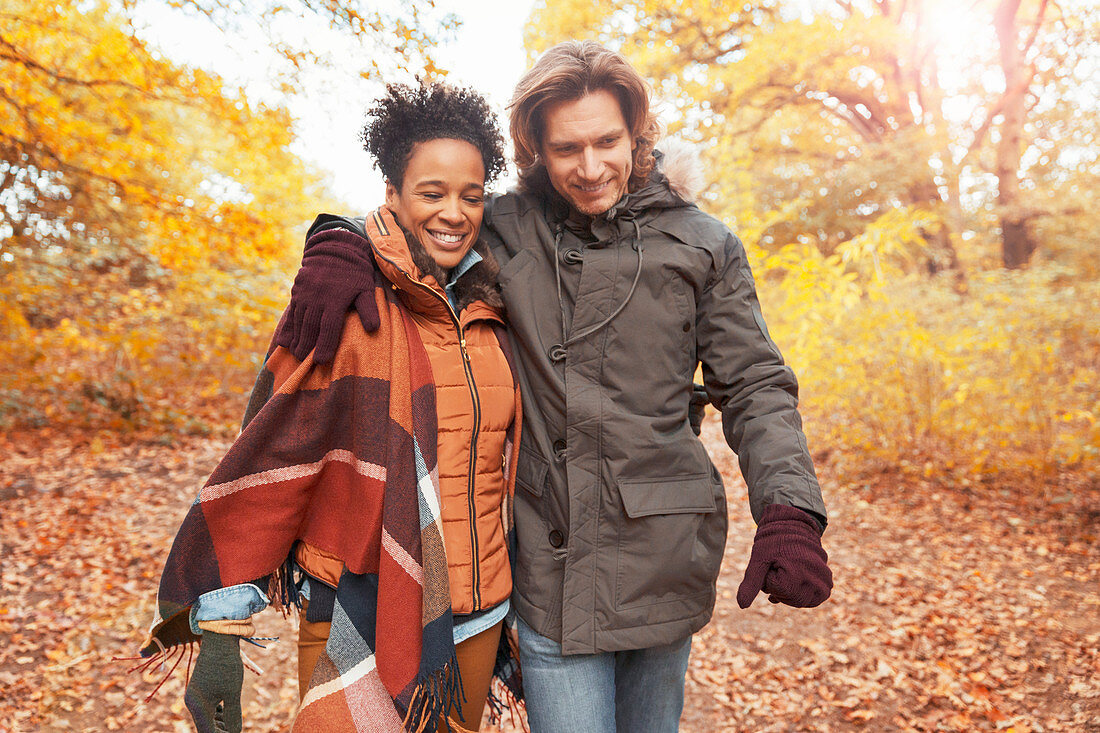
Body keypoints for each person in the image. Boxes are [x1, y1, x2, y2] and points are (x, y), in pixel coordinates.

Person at [277, 41, 833, 733]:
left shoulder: (702, 246)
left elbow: (754, 383)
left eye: (608, 141)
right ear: (536, 147)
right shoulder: (510, 226)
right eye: (568, 148)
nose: (592, 166)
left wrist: (789, 510)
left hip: (664, 552)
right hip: (552, 565)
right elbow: (421, 219)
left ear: (637, 135)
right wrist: (337, 242)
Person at [138, 83, 522, 733]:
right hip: (358, 608)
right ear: (392, 195)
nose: (454, 211)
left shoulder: (500, 309)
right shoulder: (344, 302)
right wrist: (224, 623)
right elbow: (273, 450)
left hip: (478, 613)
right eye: (431, 192)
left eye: (471, 194)